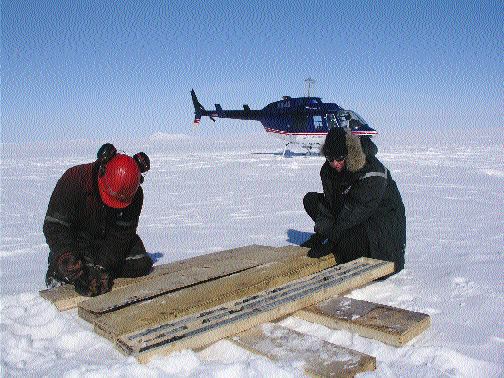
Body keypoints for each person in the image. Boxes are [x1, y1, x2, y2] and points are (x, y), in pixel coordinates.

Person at [43, 143, 153, 296]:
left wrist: (103, 267)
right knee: (69, 266)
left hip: (106, 241)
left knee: (140, 263)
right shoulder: (73, 179)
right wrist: (65, 254)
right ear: (102, 170)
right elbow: (55, 225)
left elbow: (122, 235)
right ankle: (61, 270)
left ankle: (91, 268)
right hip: (77, 240)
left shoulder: (135, 194)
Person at [301, 127, 406, 274]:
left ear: (349, 153)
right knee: (311, 200)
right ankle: (341, 242)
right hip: (352, 216)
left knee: (347, 244)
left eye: (340, 158)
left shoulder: (371, 171)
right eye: (330, 159)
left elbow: (357, 210)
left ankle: (345, 246)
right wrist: (322, 234)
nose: (335, 163)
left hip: (380, 226)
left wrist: (332, 239)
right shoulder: (328, 170)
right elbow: (333, 204)